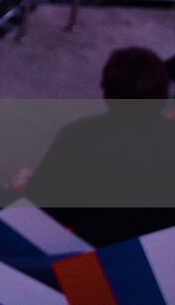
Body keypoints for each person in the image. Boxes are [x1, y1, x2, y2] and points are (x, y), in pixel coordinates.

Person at [26, 47, 175, 246]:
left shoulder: (78, 136)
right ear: (164, 94)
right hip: (152, 257)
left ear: (106, 92)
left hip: (85, 258)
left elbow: (42, 207)